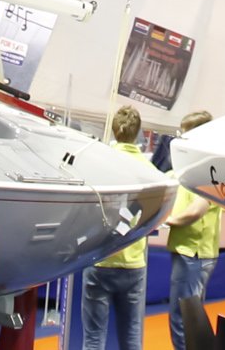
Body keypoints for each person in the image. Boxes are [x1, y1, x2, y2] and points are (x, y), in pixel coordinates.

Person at [83, 105, 151, 350]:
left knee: (93, 339)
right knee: (132, 338)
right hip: (133, 264)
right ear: (138, 131)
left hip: (101, 259)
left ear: (113, 130)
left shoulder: (100, 163)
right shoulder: (150, 171)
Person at [163, 110, 221, 350]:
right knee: (191, 318)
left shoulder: (206, 170)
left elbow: (197, 210)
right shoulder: (195, 168)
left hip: (194, 254)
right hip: (193, 253)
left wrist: (168, 221)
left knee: (183, 319)